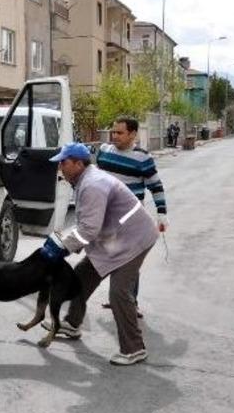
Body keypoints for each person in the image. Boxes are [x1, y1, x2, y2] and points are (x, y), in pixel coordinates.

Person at [40, 142, 159, 365]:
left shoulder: (92, 184)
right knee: (81, 277)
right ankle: (72, 324)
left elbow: (88, 230)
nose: (60, 168)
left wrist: (61, 248)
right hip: (117, 238)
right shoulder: (85, 179)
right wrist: (65, 244)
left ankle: (134, 349)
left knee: (119, 292)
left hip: (135, 239)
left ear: (78, 163)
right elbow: (89, 224)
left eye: (63, 163)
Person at [96, 117, 169, 317]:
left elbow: (156, 186)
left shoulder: (142, 158)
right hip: (108, 218)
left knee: (129, 262)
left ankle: (131, 302)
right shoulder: (104, 151)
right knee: (114, 258)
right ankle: (117, 299)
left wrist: (161, 213)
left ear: (133, 134)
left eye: (120, 133)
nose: (114, 136)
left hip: (131, 220)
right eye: (113, 132)